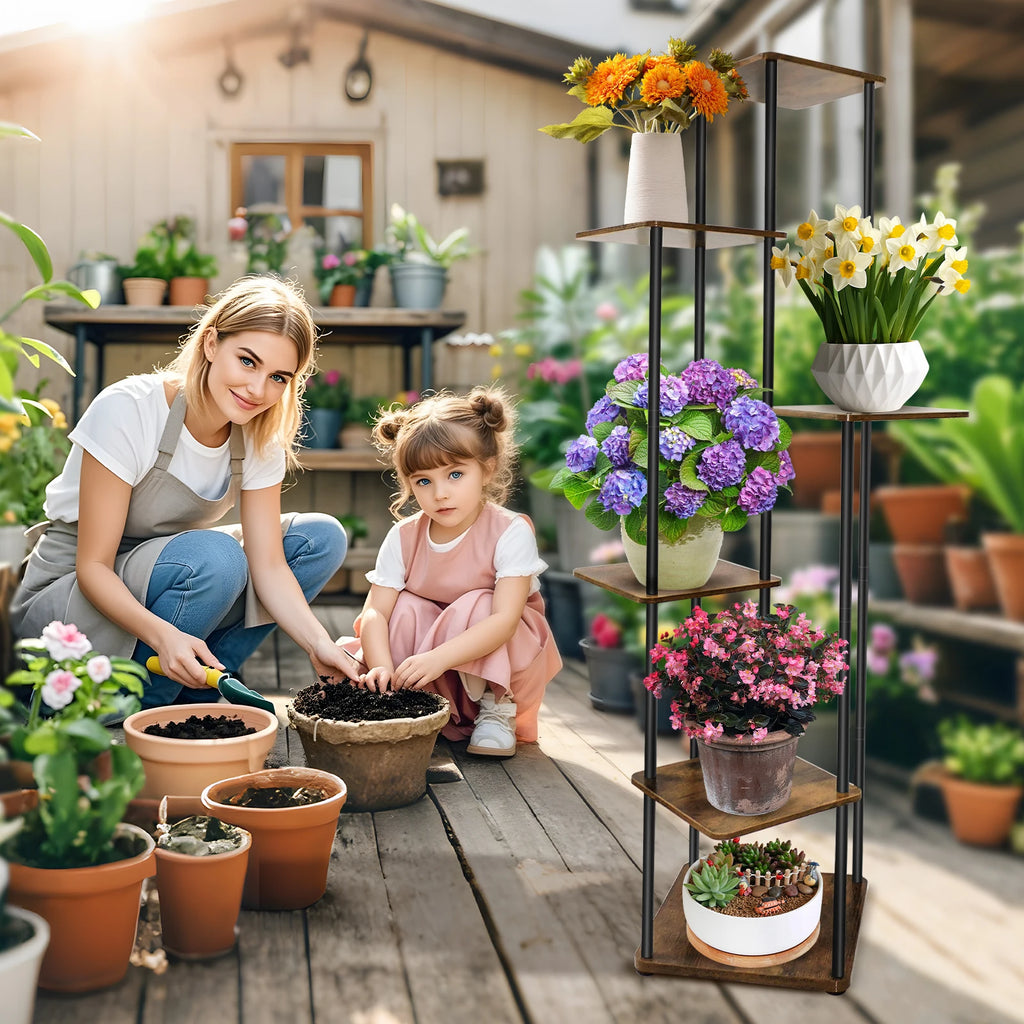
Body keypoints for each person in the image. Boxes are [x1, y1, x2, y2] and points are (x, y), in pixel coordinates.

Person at [11, 275, 361, 707]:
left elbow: (269, 564)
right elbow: (93, 567)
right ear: (211, 343)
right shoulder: (130, 409)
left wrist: (319, 644)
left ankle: (198, 681)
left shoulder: (259, 434)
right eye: (247, 361)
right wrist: (164, 635)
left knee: (319, 539)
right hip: (71, 599)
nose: (258, 390)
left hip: (172, 573)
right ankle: (140, 707)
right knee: (217, 558)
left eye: (278, 377)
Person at [340, 387, 562, 757]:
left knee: (479, 602)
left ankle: (496, 711)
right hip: (431, 672)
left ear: (487, 468)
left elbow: (505, 621)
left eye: (455, 474)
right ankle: (408, 703)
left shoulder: (508, 530)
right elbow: (375, 611)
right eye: (423, 481)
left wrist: (438, 658)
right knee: (403, 607)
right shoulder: (404, 536)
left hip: (497, 658)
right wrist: (381, 666)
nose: (440, 493)